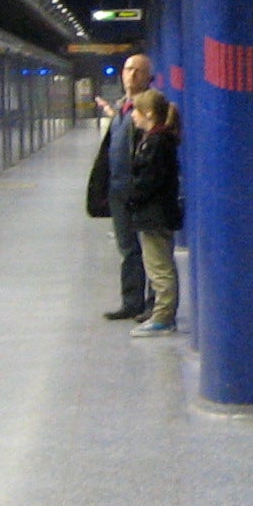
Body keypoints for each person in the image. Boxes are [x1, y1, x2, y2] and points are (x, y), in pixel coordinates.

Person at [85, 53, 154, 320]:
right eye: (128, 69)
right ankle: (132, 301)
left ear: (148, 77)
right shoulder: (122, 109)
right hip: (118, 190)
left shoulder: (151, 108)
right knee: (128, 249)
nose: (131, 75)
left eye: (138, 71)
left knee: (150, 250)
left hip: (141, 190)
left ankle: (153, 304)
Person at [125, 89, 183, 337]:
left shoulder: (157, 143)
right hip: (155, 213)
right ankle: (162, 314)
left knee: (159, 268)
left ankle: (163, 317)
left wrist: (132, 198)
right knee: (158, 265)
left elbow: (148, 180)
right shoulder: (157, 140)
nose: (133, 117)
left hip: (154, 214)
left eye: (136, 112)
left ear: (148, 113)